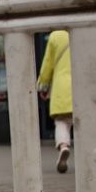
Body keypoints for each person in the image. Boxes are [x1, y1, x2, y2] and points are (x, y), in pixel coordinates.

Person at [38, 30, 73, 173]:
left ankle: (64, 146)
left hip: (62, 86)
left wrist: (43, 85)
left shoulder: (56, 36)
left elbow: (48, 63)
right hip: (82, 84)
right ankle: (89, 156)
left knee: (62, 122)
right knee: (84, 124)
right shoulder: (85, 29)